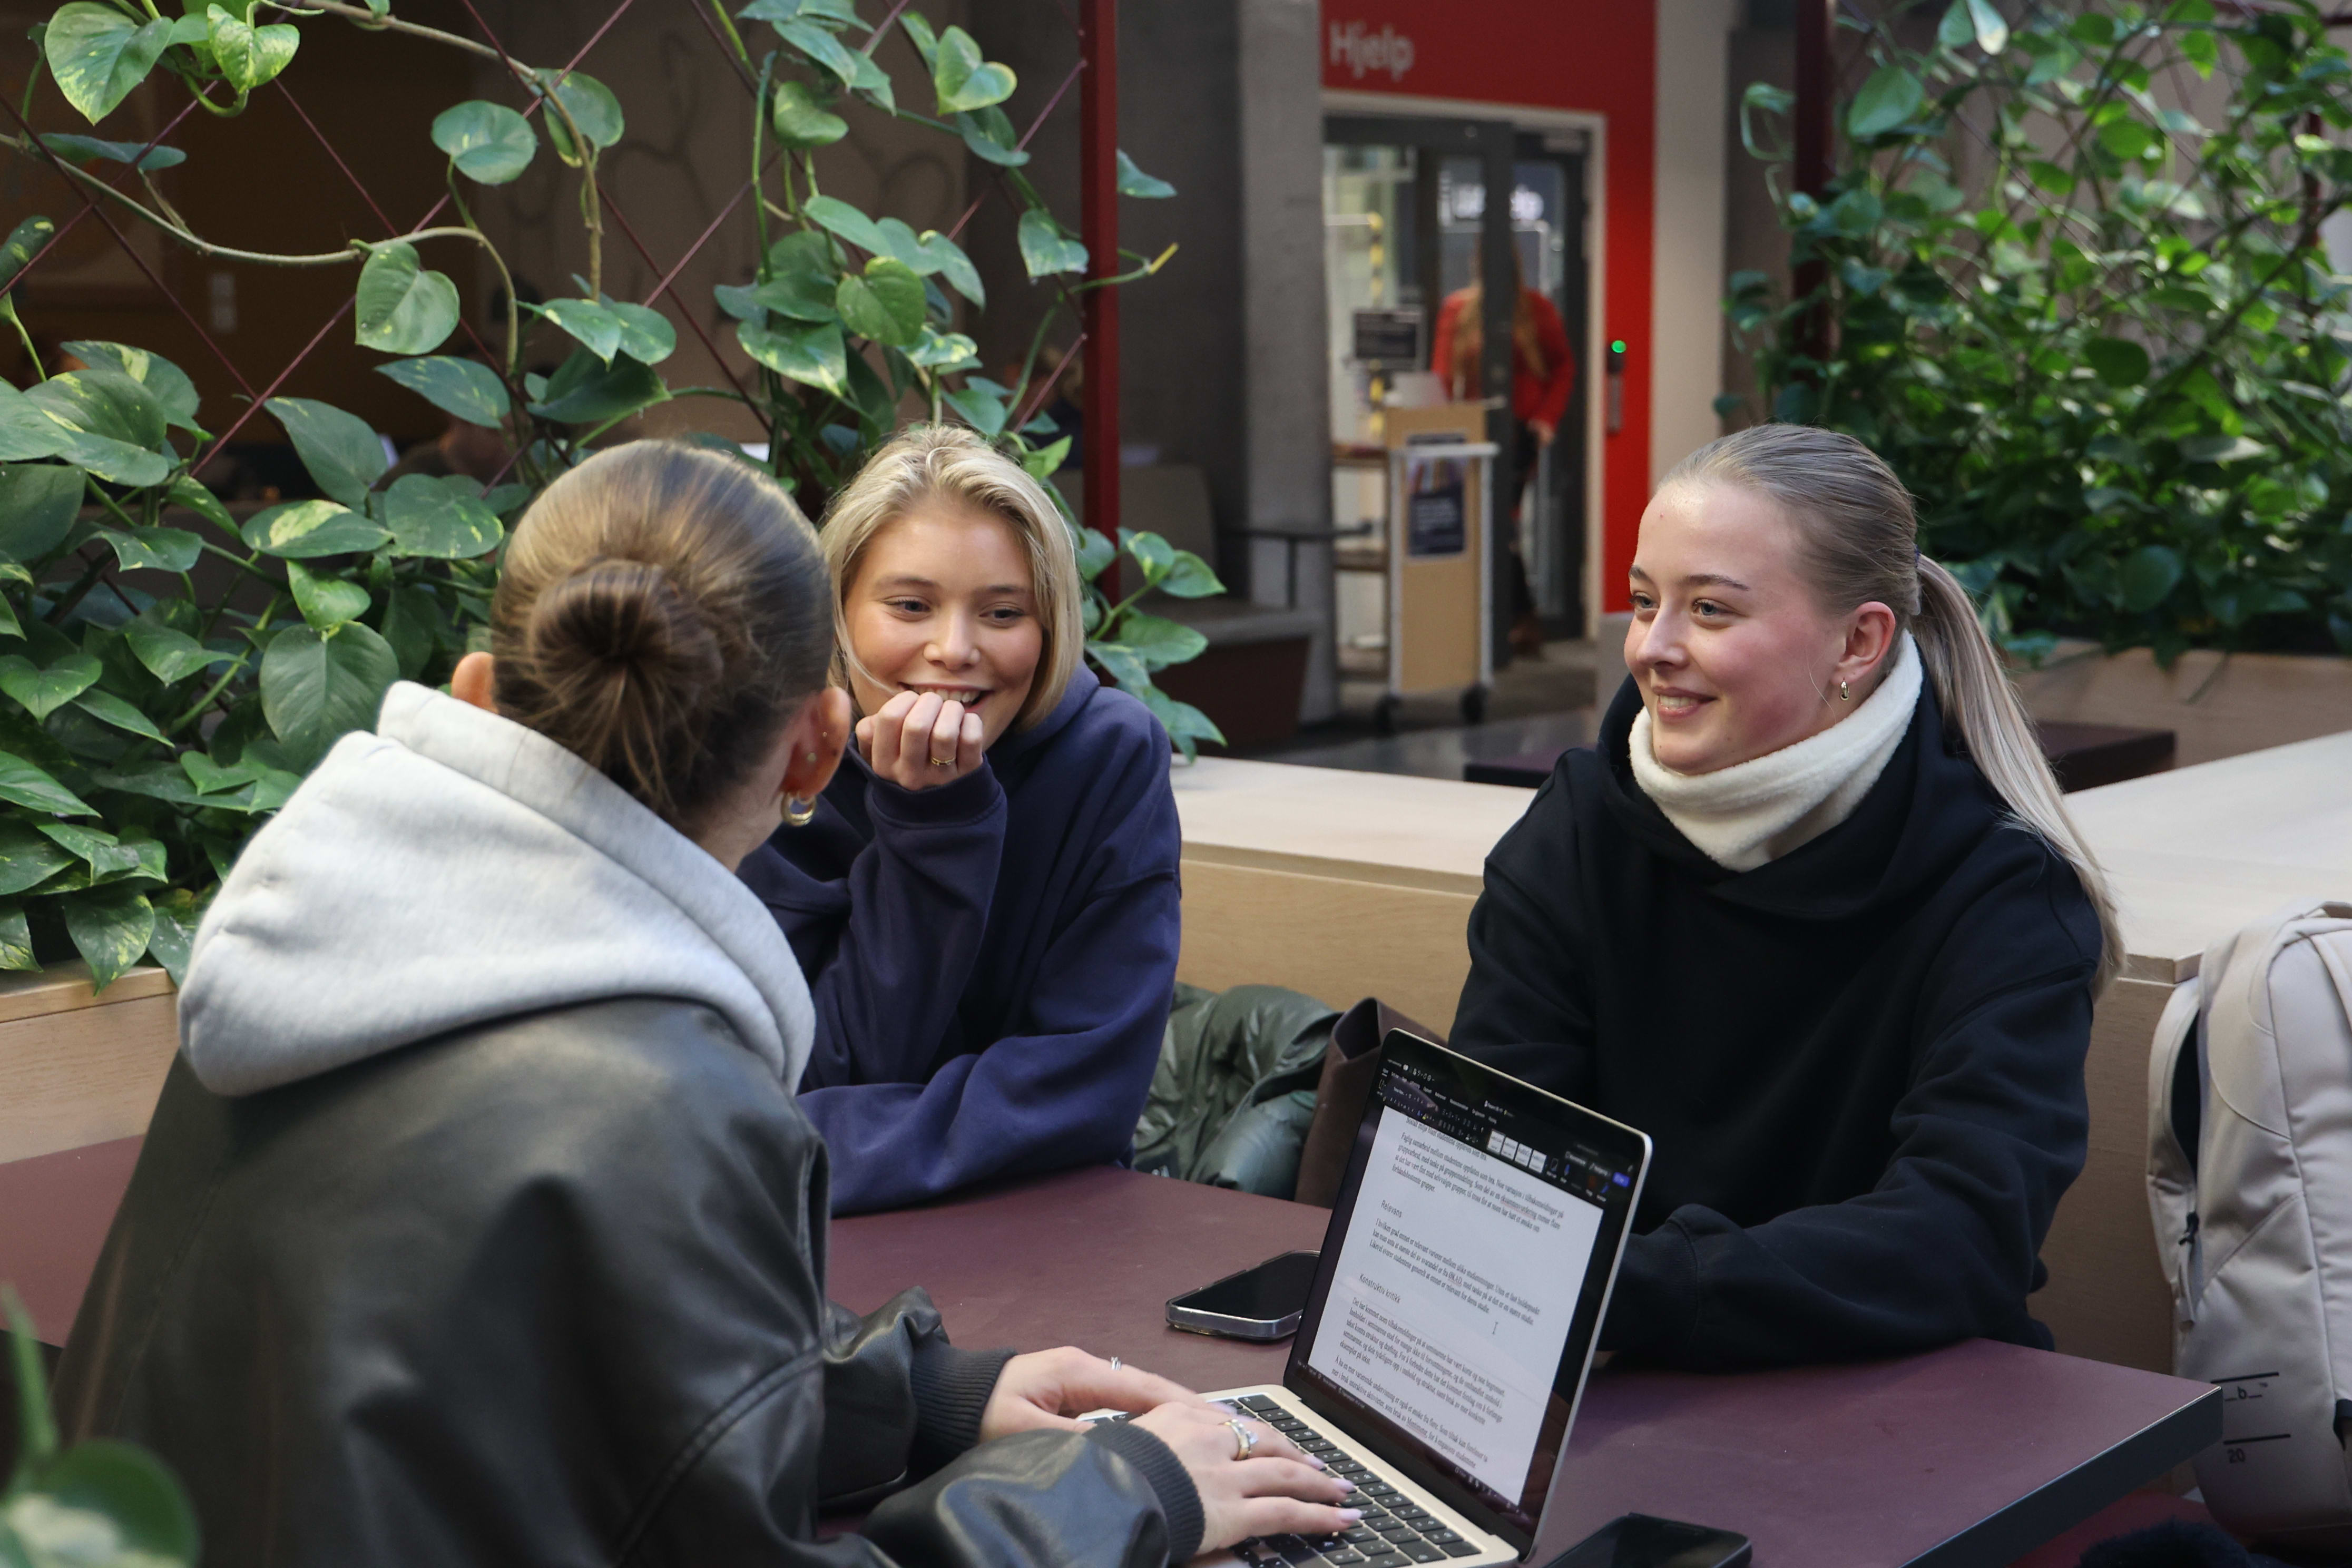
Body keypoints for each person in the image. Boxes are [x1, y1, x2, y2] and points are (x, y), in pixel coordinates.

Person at [53, 442, 1353, 1564]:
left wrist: (926, 1398)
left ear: (475, 698)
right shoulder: (669, 1107)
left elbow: (564, 1372)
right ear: (817, 746)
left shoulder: (293, 972)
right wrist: (1132, 1487)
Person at [1449, 423, 2119, 1371]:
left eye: (1711, 611)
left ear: (1858, 641)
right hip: (1604, 1386)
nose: (1653, 648)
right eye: (1644, 603)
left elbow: (1959, 1239)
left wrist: (1614, 1293)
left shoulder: (1999, 887)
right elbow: (1490, 1152)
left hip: (1894, 1405)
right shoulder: (1578, 825)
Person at [736, 424, 1181, 1215]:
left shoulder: (1111, 757)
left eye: (1003, 614)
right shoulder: (786, 758)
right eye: (911, 605)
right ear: (837, 610)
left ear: (1049, 626)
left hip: (1041, 1219)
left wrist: (797, 1144)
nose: (955, 648)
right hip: (822, 1230)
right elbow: (823, 1070)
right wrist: (929, 825)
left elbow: (1084, 1092)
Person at [1430, 252, 1574, 659]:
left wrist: (1546, 420)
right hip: (1471, 432)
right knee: (1483, 524)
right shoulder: (1458, 309)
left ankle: (1518, 621)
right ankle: (1509, 619)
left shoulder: (1536, 310)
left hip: (1519, 432)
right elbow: (1443, 371)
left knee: (1501, 522)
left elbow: (1563, 368)